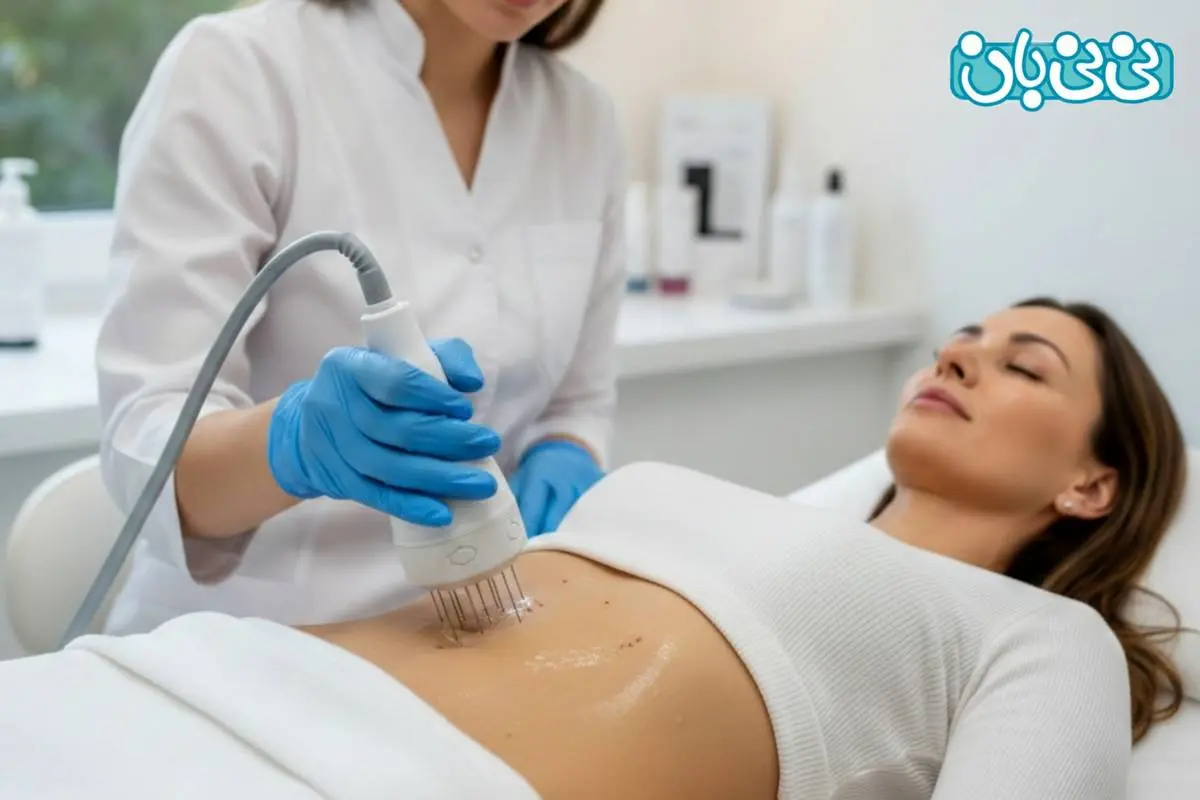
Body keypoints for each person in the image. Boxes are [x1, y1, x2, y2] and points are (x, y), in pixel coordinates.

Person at [12, 298, 1185, 798]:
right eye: (963, 337)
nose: (959, 354)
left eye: (1024, 365)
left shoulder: (1043, 636)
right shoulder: (746, 506)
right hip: (197, 680)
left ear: (1092, 483)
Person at [93, 0, 621, 636]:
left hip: (482, 628)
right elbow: (148, 449)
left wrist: (565, 450)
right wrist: (294, 444)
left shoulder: (583, 119)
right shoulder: (238, 70)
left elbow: (576, 403)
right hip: (252, 640)